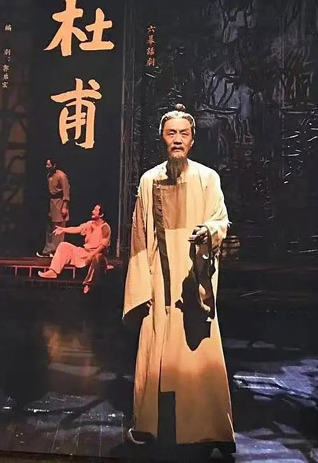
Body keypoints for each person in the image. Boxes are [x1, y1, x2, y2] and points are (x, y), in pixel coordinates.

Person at [123, 104, 234, 452]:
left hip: (193, 275)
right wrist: (142, 286)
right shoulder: (148, 180)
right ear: (162, 137)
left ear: (192, 139)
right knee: (155, 346)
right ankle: (149, 425)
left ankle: (210, 426)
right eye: (171, 133)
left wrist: (209, 232)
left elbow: (220, 220)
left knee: (198, 353)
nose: (177, 139)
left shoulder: (207, 178)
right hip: (159, 277)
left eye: (183, 134)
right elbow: (139, 237)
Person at [37, 204, 111, 294]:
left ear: (101, 214)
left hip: (98, 254)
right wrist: (63, 229)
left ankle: (88, 284)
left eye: (95, 210)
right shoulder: (89, 224)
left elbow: (102, 246)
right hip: (85, 252)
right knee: (64, 245)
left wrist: (91, 255)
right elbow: (77, 229)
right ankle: (53, 271)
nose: (92, 211)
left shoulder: (105, 227)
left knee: (97, 258)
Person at [37, 158, 70, 257]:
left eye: (49, 164)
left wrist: (64, 207)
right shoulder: (49, 175)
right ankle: (48, 250)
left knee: (58, 227)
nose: (47, 166)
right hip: (52, 202)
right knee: (50, 227)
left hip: (60, 202)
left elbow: (66, 192)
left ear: (54, 165)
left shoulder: (61, 175)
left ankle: (57, 251)